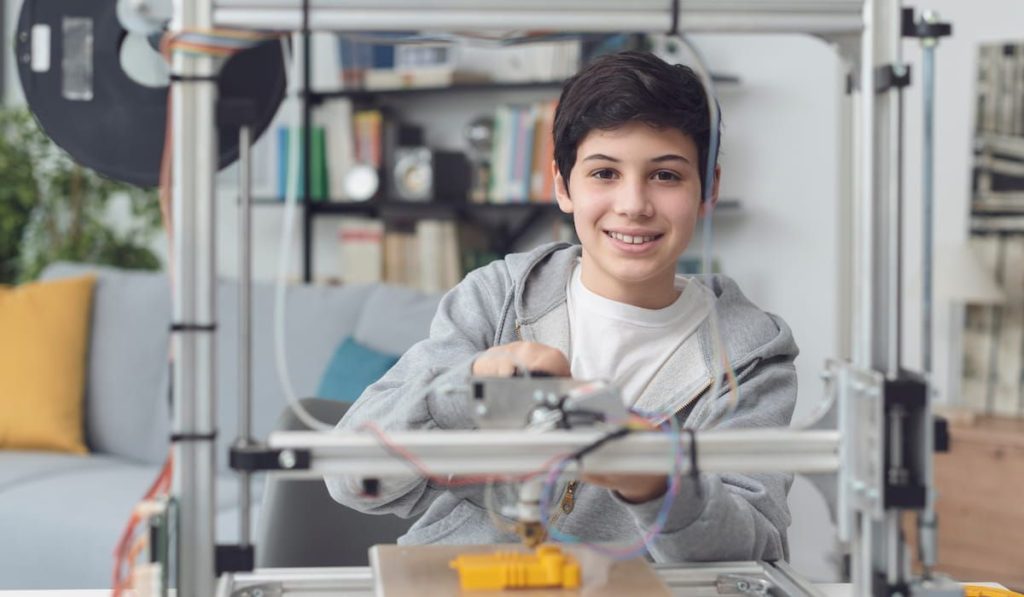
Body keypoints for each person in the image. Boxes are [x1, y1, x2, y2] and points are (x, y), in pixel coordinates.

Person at [326, 50, 798, 562]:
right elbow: (352, 479)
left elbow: (753, 550)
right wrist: (471, 385)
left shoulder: (749, 355)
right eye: (604, 174)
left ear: (709, 189)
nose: (634, 204)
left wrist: (658, 484)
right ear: (561, 185)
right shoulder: (496, 298)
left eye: (666, 175)